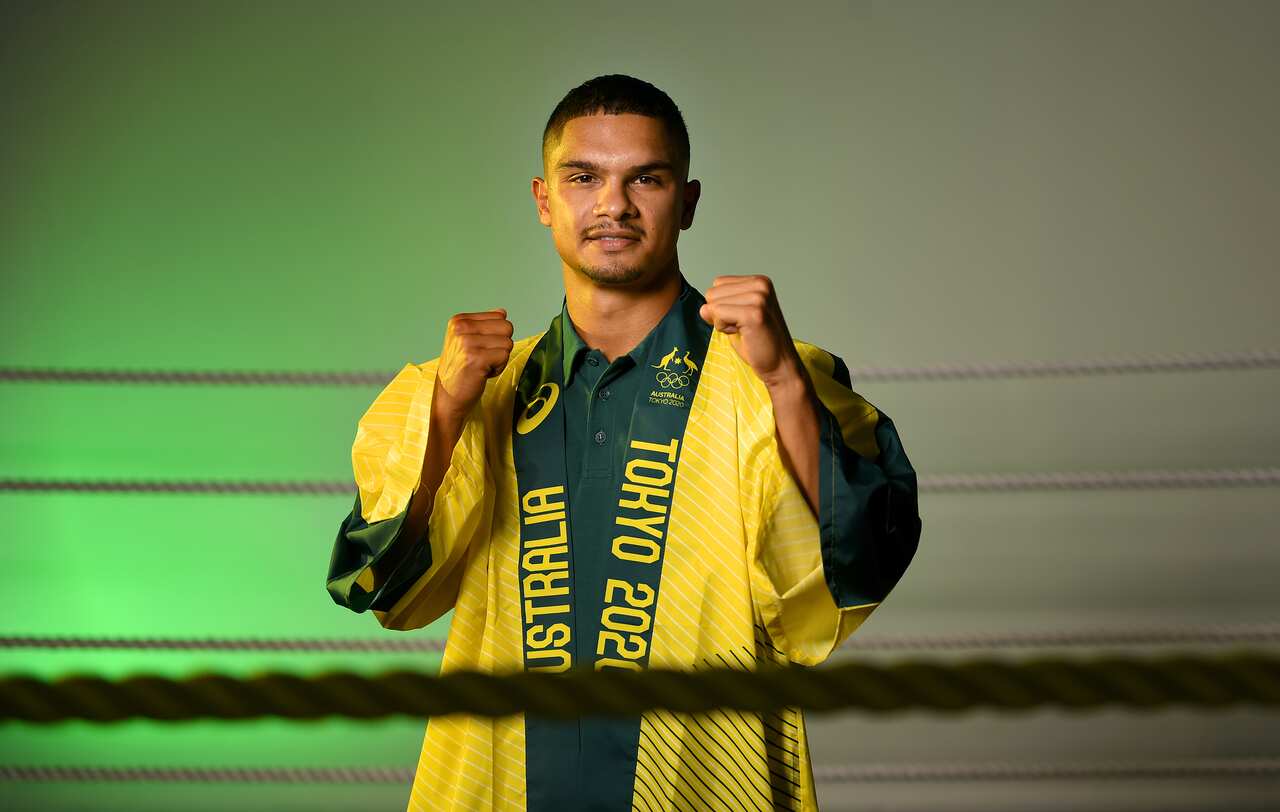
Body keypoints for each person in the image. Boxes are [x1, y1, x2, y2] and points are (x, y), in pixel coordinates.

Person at [326, 73, 922, 812]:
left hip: (705, 784)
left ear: (688, 201)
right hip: (496, 785)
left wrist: (784, 383)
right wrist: (449, 411)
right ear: (545, 201)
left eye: (647, 177)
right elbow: (379, 588)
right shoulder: (460, 391)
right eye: (584, 178)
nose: (614, 204)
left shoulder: (773, 375)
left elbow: (857, 566)